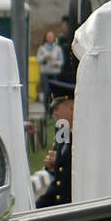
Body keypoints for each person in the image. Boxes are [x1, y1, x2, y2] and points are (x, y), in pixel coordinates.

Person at [35, 79, 75, 208]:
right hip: (60, 204)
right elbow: (58, 174)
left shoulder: (86, 135)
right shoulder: (62, 130)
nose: (54, 113)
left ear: (72, 108)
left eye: (57, 108)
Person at [36, 30, 63, 108]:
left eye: (51, 36)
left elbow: (61, 61)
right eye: (49, 36)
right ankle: (46, 111)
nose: (50, 38)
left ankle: (53, 110)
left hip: (55, 73)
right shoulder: (42, 48)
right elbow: (38, 60)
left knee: (54, 92)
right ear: (46, 38)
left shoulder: (58, 48)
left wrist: (56, 63)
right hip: (45, 73)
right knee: (46, 92)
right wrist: (45, 57)